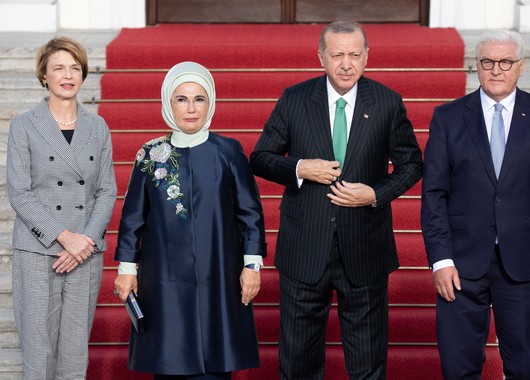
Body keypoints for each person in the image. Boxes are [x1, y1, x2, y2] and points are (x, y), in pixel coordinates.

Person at [250, 21, 423, 379]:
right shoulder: (295, 98)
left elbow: (412, 164)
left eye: (355, 54)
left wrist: (376, 193)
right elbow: (261, 157)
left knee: (367, 364)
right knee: (297, 363)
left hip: (365, 248)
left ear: (366, 56)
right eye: (338, 54)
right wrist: (300, 167)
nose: (347, 63)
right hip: (305, 247)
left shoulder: (388, 101)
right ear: (321, 57)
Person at [421, 29, 530, 379]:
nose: (496, 70)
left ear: (520, 66)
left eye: (505, 62)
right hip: (459, 264)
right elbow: (433, 194)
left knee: (522, 367)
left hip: (524, 263)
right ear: (477, 66)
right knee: (459, 368)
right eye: (488, 62)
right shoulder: (448, 117)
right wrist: (440, 260)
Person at [113, 61, 266, 380]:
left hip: (220, 276)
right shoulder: (151, 154)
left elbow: (249, 212)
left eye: (199, 99)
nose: (191, 108)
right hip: (164, 278)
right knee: (169, 361)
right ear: (168, 102)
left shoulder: (229, 151)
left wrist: (252, 266)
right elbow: (132, 218)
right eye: (181, 99)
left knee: (216, 362)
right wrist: (127, 269)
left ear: (210, 102)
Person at [6, 37, 117, 379]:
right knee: (38, 354)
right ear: (44, 76)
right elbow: (20, 192)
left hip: (85, 253)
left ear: (83, 74)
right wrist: (64, 237)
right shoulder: (24, 125)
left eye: (74, 67)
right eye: (58, 68)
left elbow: (106, 190)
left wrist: (85, 241)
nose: (67, 75)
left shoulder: (97, 127)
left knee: (74, 353)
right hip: (39, 251)